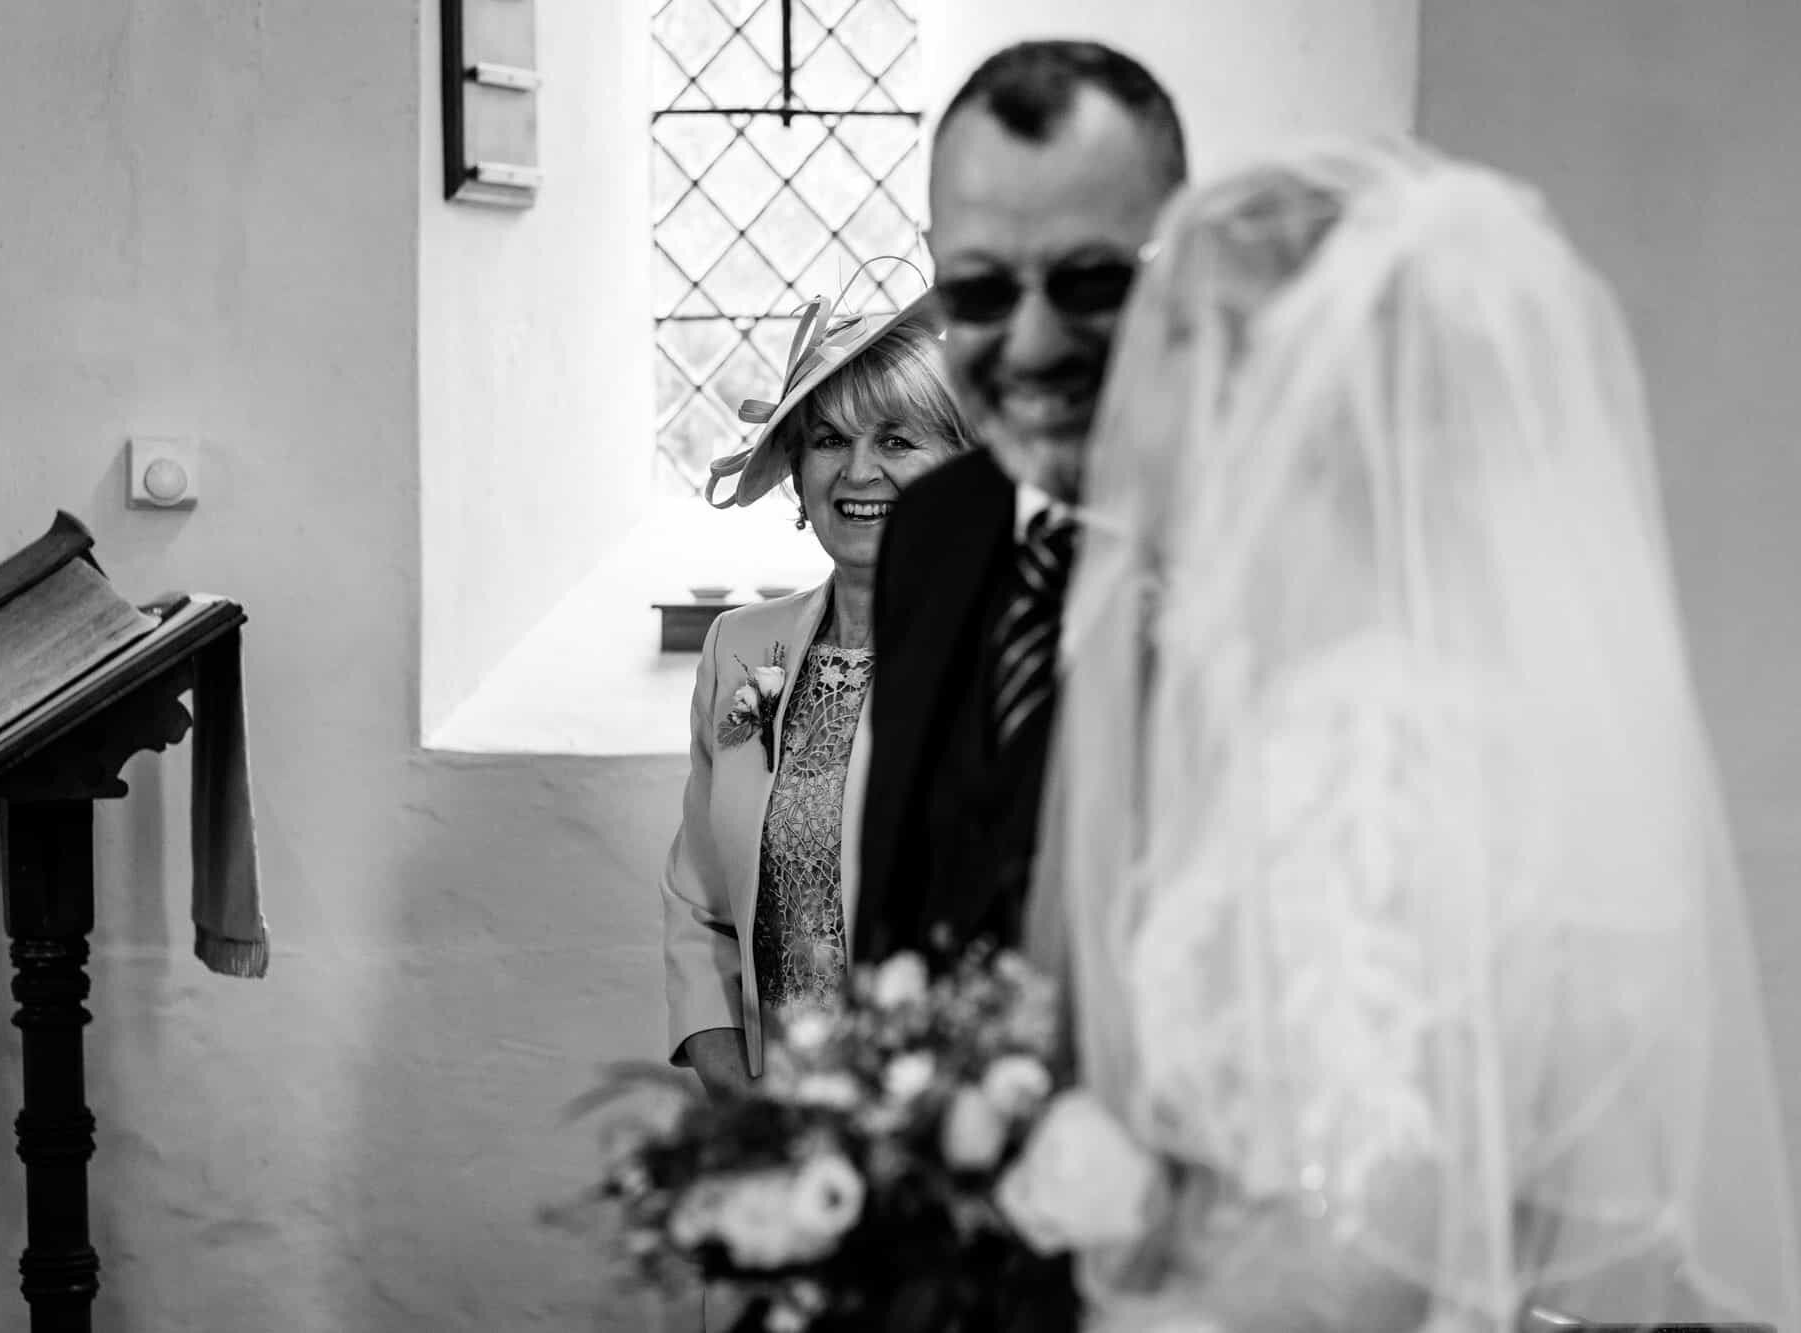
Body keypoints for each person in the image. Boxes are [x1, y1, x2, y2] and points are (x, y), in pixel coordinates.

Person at [1045, 139, 1801, 1331]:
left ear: (1270, 393)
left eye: (1170, 344)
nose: (1128, 396)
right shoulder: (1341, 711)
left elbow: (1378, 1246)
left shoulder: (1372, 747)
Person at [851, 40, 1186, 972]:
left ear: (1182, 262)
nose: (1032, 345)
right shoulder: (931, 527)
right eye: (982, 290)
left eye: (1087, 282)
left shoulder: (1277, 546)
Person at [661, 285, 973, 1097]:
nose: (858, 470)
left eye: (898, 440)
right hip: (776, 1130)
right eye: (828, 439)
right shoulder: (740, 646)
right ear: (798, 475)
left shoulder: (1007, 659)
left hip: (953, 1132)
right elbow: (698, 909)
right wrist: (739, 1104)